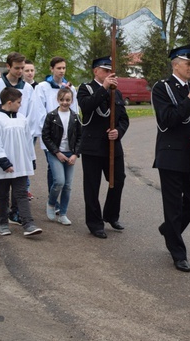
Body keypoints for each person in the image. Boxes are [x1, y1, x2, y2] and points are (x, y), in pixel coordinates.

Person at [151, 45, 190, 273]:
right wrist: (188, 100)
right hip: (170, 155)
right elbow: (167, 120)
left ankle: (169, 230)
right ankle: (178, 252)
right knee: (174, 206)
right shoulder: (162, 88)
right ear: (176, 64)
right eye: (189, 64)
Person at [77, 56, 129, 239]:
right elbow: (87, 106)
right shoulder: (86, 89)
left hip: (113, 145)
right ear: (95, 71)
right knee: (92, 186)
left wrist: (118, 131)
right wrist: (104, 87)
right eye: (105, 70)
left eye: (110, 71)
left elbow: (124, 119)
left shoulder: (118, 93)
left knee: (118, 180)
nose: (109, 74)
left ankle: (111, 215)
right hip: (92, 146)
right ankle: (94, 223)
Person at [0, 87, 41, 237]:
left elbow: (28, 140)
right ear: (9, 103)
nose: (20, 105)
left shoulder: (22, 118)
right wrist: (4, 162)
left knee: (21, 194)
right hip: (2, 166)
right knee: (2, 195)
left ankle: (28, 224)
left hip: (21, 163)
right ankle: (2, 223)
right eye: (18, 102)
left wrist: (32, 158)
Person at [0, 52, 36, 214]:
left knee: (20, 175)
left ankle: (16, 212)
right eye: (17, 68)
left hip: (21, 135)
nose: (20, 71)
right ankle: (3, 212)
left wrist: (23, 128)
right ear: (8, 66)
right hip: (3, 135)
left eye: (22, 68)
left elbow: (29, 112)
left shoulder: (28, 88)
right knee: (4, 177)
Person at [35, 56, 78, 208]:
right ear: (51, 69)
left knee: (58, 173)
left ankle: (54, 200)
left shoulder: (70, 88)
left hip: (66, 138)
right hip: (51, 136)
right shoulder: (42, 87)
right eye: (58, 68)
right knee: (53, 169)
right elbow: (39, 111)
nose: (61, 71)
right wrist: (46, 131)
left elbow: (75, 112)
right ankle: (53, 201)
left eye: (63, 68)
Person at [41, 88, 82, 226]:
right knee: (59, 181)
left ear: (72, 100)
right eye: (62, 100)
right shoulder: (51, 116)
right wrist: (57, 152)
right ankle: (51, 203)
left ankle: (63, 214)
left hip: (71, 154)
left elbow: (80, 137)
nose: (65, 103)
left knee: (68, 185)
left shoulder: (75, 117)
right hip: (55, 153)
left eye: (68, 100)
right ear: (58, 100)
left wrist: (76, 154)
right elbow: (45, 136)